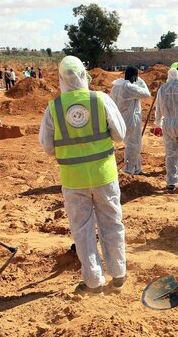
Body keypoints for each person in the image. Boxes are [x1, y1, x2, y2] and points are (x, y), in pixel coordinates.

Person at [38, 56, 127, 294]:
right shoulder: (100, 99)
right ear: (83, 75)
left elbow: (47, 147)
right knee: (111, 222)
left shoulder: (54, 108)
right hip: (104, 174)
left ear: (60, 78)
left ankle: (94, 282)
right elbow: (120, 134)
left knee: (82, 230)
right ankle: (118, 274)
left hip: (73, 178)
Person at [110, 66, 151, 175]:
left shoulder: (116, 86)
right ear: (134, 77)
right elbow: (146, 93)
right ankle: (129, 170)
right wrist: (141, 81)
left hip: (120, 118)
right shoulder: (128, 87)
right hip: (130, 119)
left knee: (133, 144)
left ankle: (137, 169)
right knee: (133, 145)